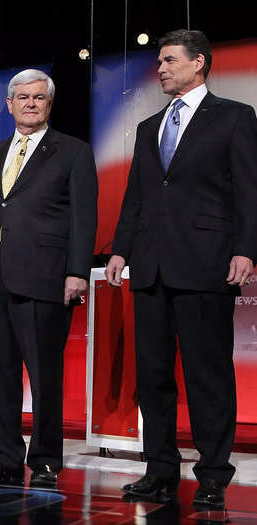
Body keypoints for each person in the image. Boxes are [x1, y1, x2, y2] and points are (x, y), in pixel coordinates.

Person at [105, 29, 257, 508]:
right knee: (152, 376)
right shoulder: (149, 127)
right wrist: (120, 250)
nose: (162, 69)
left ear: (199, 64)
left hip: (206, 263)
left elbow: (248, 193)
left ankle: (213, 474)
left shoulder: (234, 117)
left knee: (207, 375)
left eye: (170, 60)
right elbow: (137, 196)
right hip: (150, 268)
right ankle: (160, 470)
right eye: (160, 61)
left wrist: (246, 249)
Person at [0, 69, 98, 486]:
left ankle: (47, 459)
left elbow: (83, 218)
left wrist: (76, 271)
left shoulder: (72, 152)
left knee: (44, 375)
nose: (30, 103)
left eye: (39, 98)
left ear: (49, 104)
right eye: (23, 97)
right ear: (9, 104)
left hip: (44, 277)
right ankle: (5, 458)